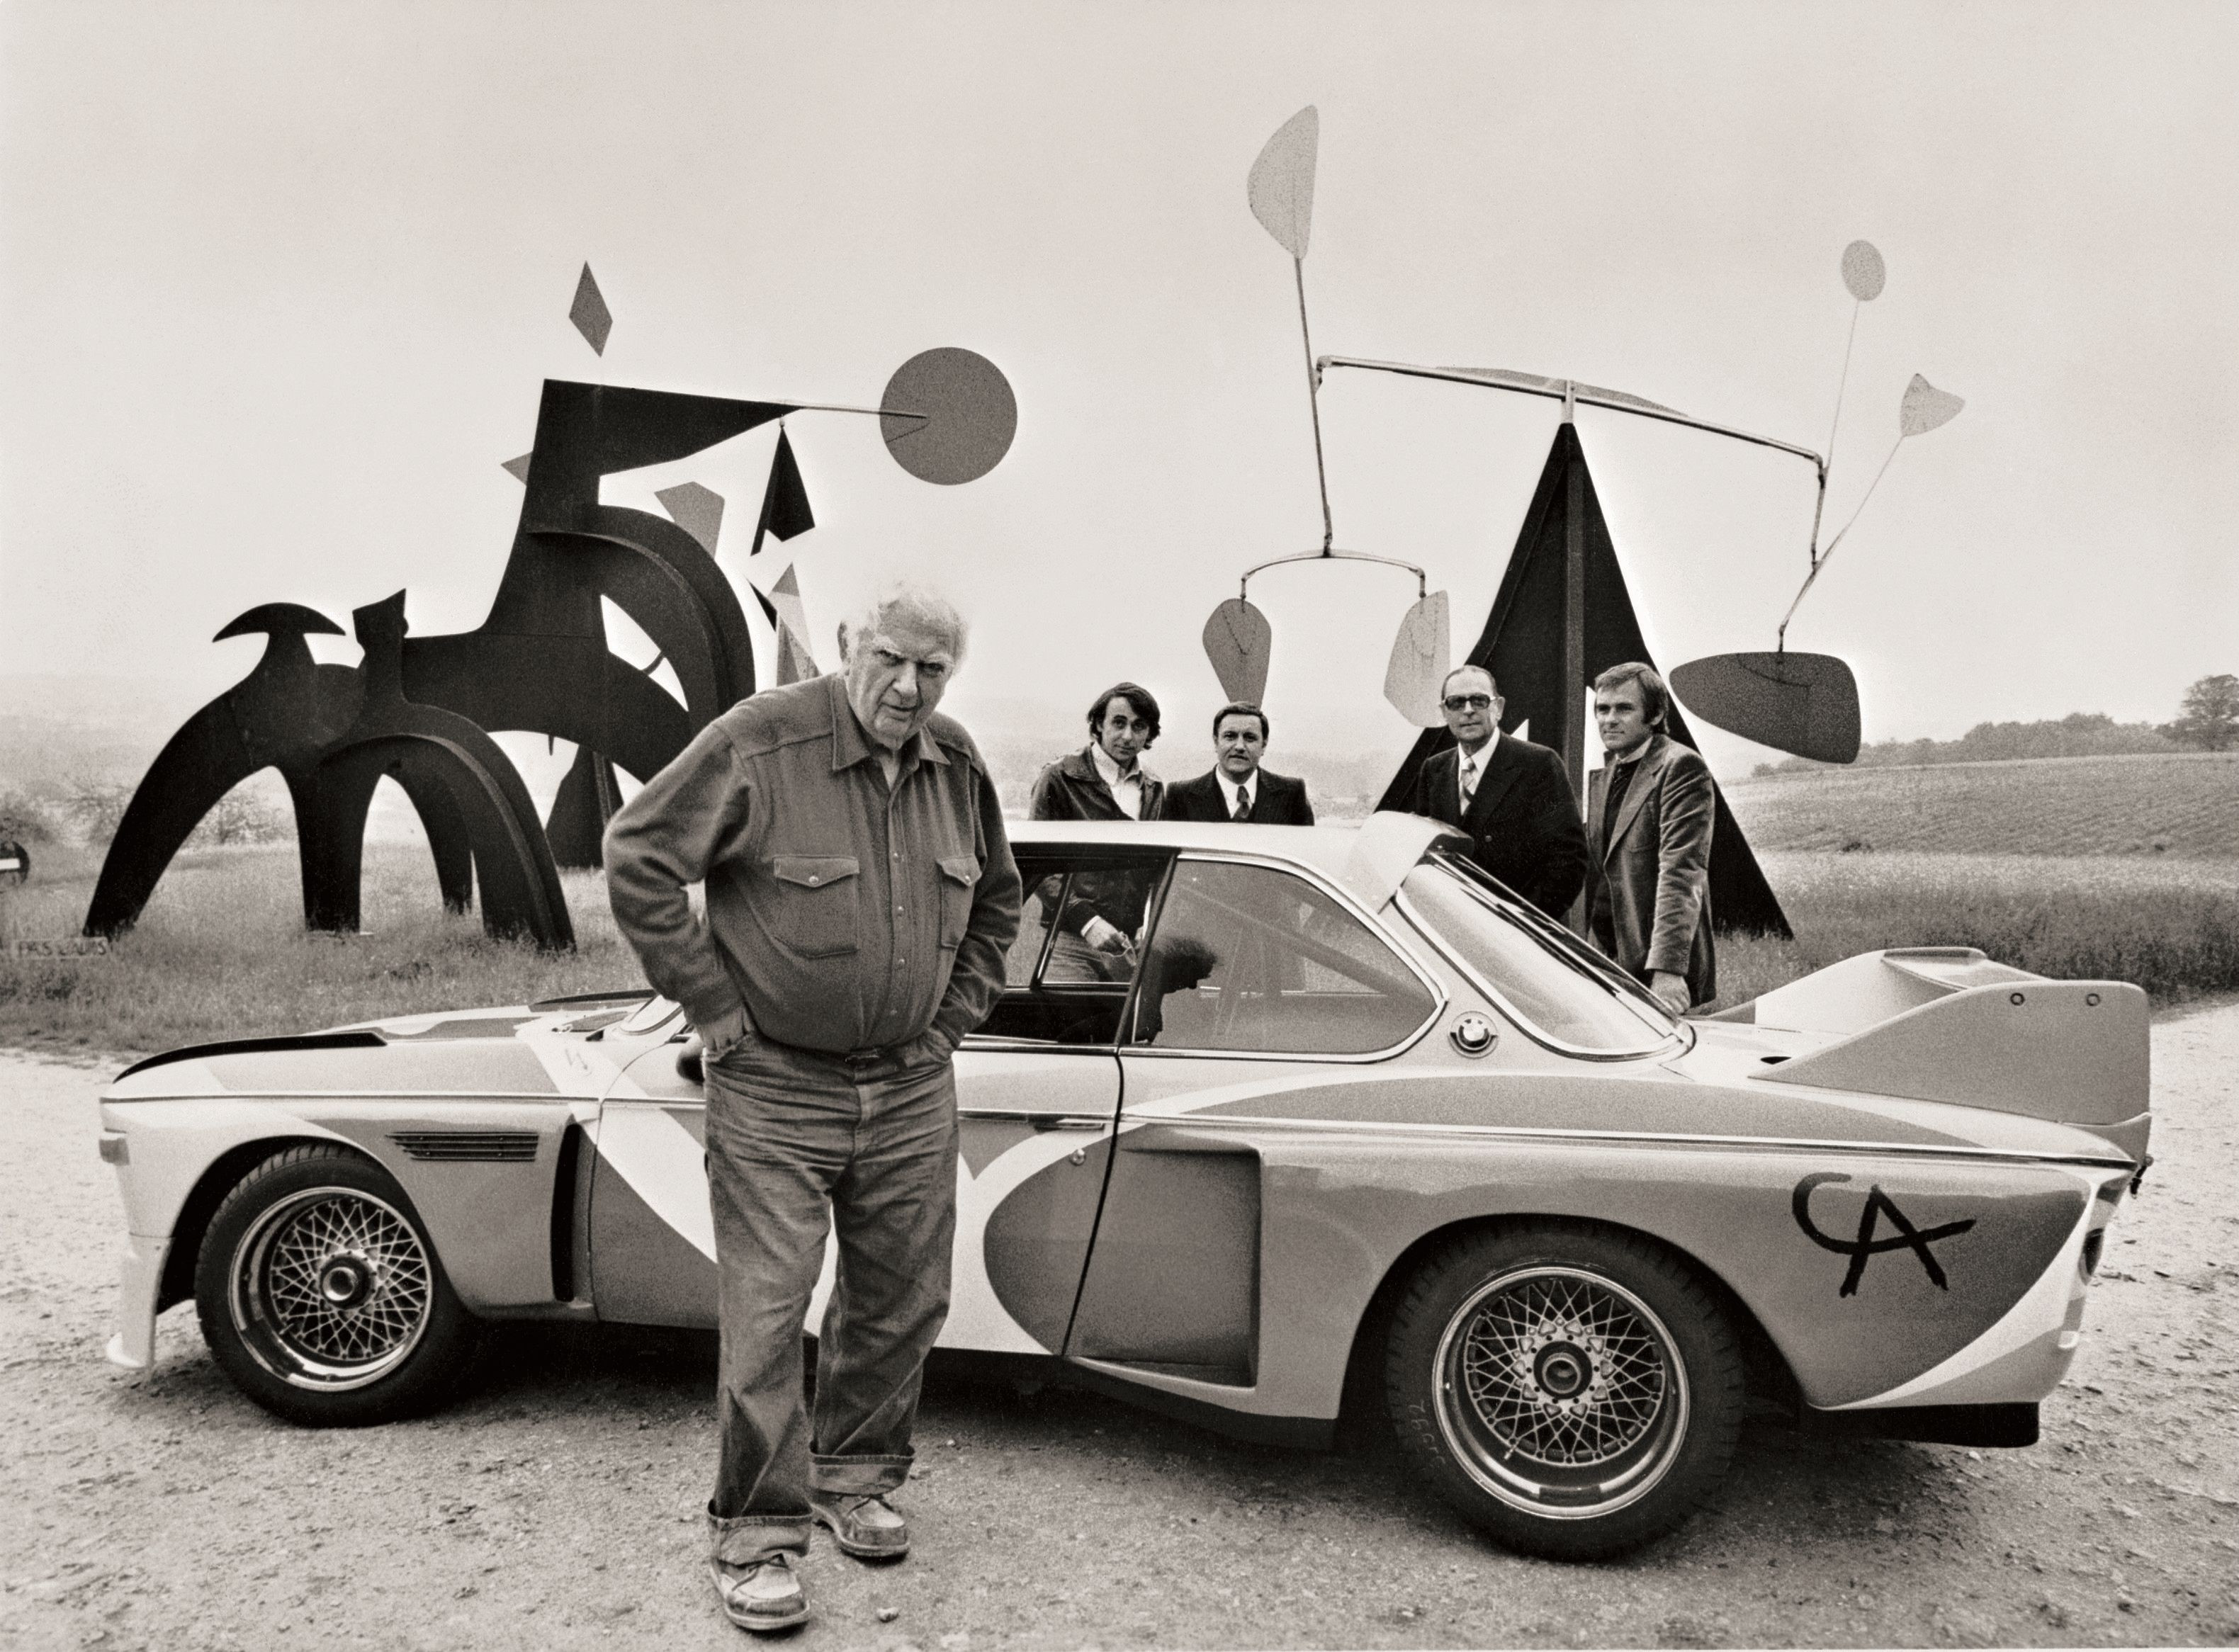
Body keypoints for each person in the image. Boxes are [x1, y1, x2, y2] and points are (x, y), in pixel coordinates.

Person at [602, 581, 1021, 1634]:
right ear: (846, 645)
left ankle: (855, 1479)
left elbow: (1001, 901)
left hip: (914, 1083)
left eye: (934, 668)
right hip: (776, 1086)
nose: (910, 686)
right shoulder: (761, 740)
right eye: (891, 658)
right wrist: (714, 1010)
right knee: (768, 1311)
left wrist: (949, 1022)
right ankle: (755, 1538)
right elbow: (639, 854)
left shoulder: (957, 763)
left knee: (902, 1296)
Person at [1581, 660, 1715, 1012]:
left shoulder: (1681, 767)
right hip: (1610, 960)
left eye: (1624, 708)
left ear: (1655, 715)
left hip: (1655, 965)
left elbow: (1682, 872)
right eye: (1602, 709)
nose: (1610, 719)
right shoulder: (1610, 771)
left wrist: (1668, 970)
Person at [1405, 664, 1589, 920]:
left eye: (1479, 701)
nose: (1468, 710)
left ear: (1498, 708)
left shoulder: (1539, 764)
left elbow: (1569, 859)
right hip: (1451, 930)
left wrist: (1527, 923)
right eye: (1456, 703)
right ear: (1444, 712)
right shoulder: (1434, 771)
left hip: (1518, 936)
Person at [1028, 681, 1166, 978]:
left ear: (1149, 734)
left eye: (1139, 726)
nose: (1128, 736)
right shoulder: (1059, 777)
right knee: (1069, 1022)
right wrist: (1087, 921)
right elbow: (1038, 864)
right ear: (1098, 725)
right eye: (1118, 723)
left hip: (1128, 945)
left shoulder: (1153, 789)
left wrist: (1149, 921)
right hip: (1069, 940)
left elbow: (1155, 868)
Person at [1158, 702, 1316, 824]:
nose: (1239, 746)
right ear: (1216, 742)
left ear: (1264, 745)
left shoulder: (1292, 793)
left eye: (1250, 738)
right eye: (1230, 736)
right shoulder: (1180, 796)